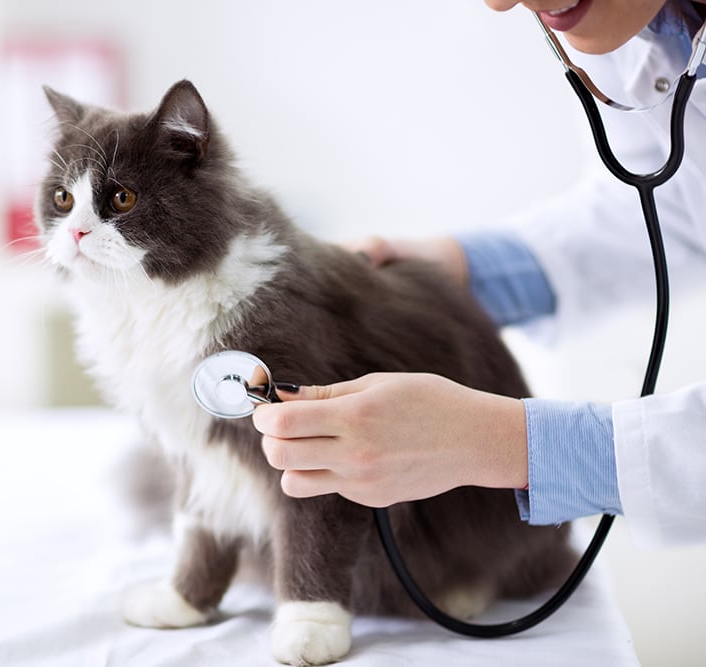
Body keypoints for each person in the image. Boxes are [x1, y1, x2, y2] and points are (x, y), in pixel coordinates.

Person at [252, 0, 706, 548]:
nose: (500, 2)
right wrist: (450, 277)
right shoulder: (654, 30)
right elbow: (670, 207)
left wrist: (503, 445)